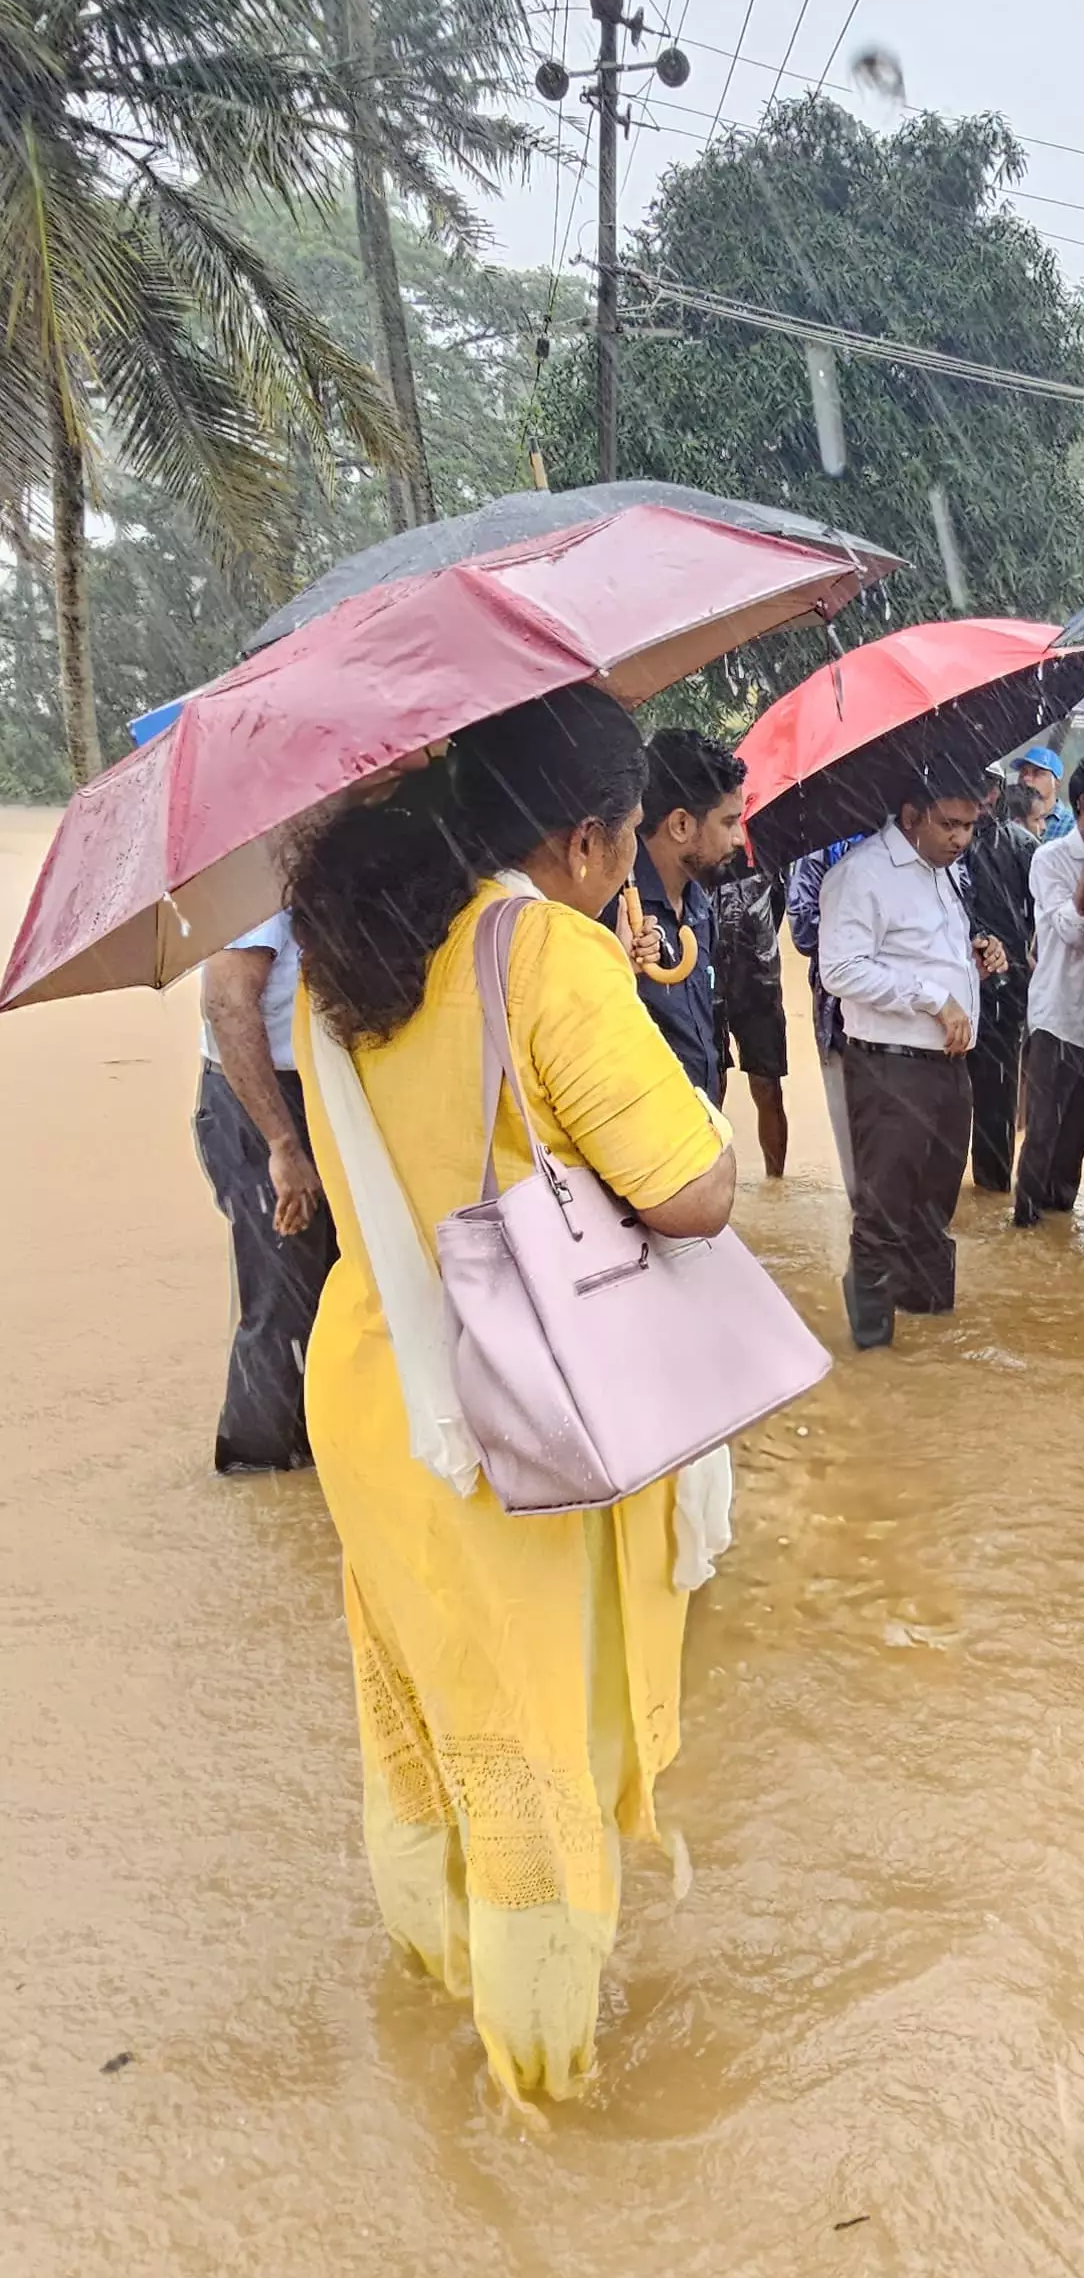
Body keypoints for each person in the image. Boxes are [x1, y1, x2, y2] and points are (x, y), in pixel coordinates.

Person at [290, 686, 735, 2106]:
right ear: (593, 841)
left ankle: (434, 1989)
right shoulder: (540, 951)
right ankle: (540, 2093)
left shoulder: (342, 954)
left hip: (375, 1385)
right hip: (519, 1405)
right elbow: (695, 1190)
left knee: (424, 1714)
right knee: (543, 1738)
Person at [816, 780, 1006, 1348]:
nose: (961, 839)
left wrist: (978, 953)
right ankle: (872, 1350)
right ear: (910, 814)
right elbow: (841, 970)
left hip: (947, 1068)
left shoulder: (943, 872)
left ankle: (928, 1342)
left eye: (970, 826)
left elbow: (928, 949)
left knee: (935, 1205)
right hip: (889, 1070)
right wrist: (931, 994)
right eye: (949, 824)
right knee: (884, 1210)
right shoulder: (862, 874)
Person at [194, 912, 335, 1472]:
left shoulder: (325, 859)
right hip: (260, 1102)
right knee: (282, 1300)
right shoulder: (255, 885)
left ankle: (321, 1454)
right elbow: (227, 1003)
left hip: (320, 1093)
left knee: (333, 1289)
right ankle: (259, 1468)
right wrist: (282, 1142)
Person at [1013, 757, 1084, 1226]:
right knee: (1041, 1132)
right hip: (1057, 1013)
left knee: (1076, 1139)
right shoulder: (1051, 859)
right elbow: (1077, 931)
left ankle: (1057, 1230)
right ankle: (1024, 1225)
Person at [630, 728, 750, 1099]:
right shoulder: (613, 913)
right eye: (728, 823)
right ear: (681, 825)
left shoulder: (699, 903)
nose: (740, 840)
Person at [963, 771, 1036, 1193]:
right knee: (944, 1102)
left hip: (1004, 992)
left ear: (995, 790)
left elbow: (1043, 918)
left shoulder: (1022, 846)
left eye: (983, 784)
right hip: (949, 988)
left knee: (997, 1099)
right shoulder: (933, 843)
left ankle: (991, 1194)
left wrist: (1019, 961)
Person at [787, 839, 860, 1197]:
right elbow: (802, 931)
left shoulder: (915, 838)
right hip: (838, 1012)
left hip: (891, 1018)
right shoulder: (821, 847)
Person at [713, 853, 790, 1177]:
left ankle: (775, 1181)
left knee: (767, 1085)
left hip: (759, 979)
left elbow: (778, 905)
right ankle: (708, 1173)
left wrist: (757, 945)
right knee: (709, 1085)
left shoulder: (769, 848)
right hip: (709, 977)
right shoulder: (700, 846)